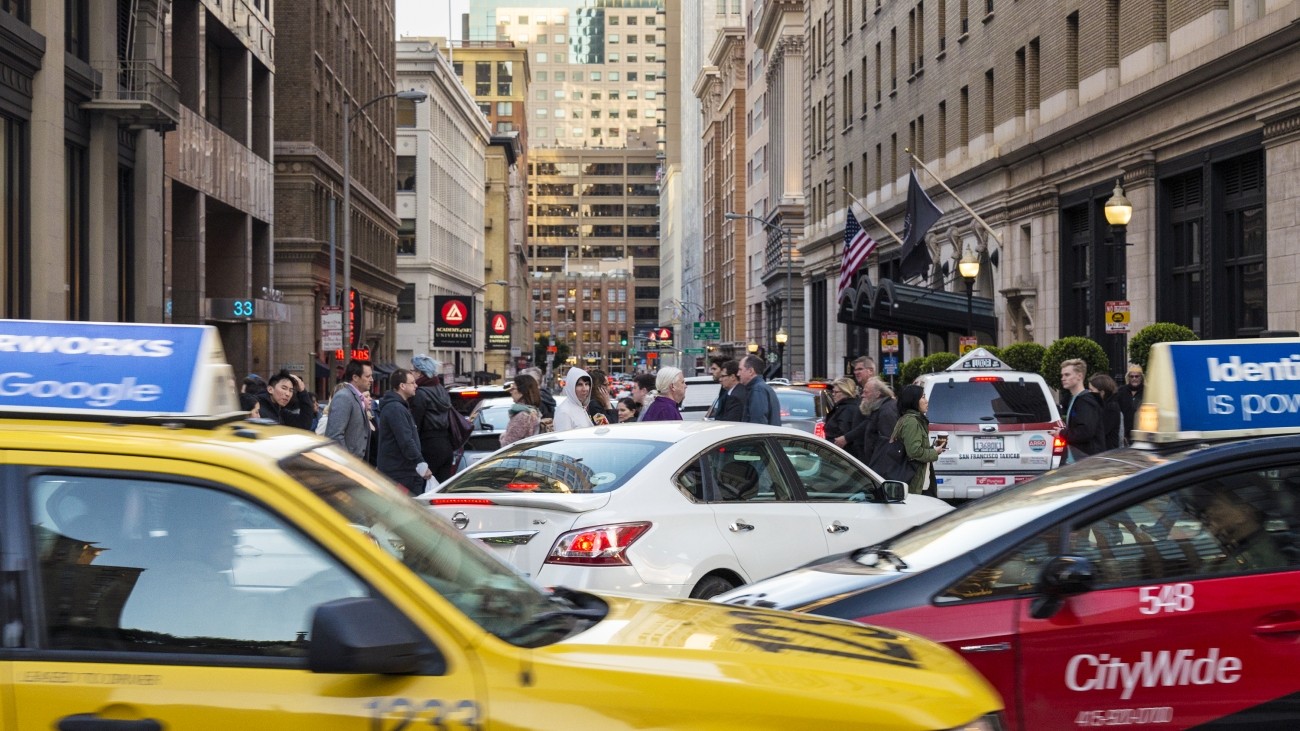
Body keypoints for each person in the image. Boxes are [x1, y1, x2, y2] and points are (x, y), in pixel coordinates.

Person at [1192, 481, 1289, 573]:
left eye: (1216, 506)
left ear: (1243, 513)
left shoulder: (1259, 556)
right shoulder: (1245, 547)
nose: (1209, 512)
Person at [375, 369, 432, 494]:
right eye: (412, 383)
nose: (416, 385)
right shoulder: (395, 408)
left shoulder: (398, 406)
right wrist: (421, 463)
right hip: (401, 474)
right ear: (402, 386)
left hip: (401, 471)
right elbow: (406, 441)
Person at [408, 355, 457, 482]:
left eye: (412, 371)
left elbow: (415, 424)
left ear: (419, 373)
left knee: (423, 488)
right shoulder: (442, 390)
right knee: (440, 489)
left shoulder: (420, 393)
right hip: (446, 446)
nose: (411, 374)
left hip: (428, 446)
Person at [891, 384, 946, 495]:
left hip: (918, 481)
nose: (926, 401)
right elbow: (914, 452)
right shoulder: (911, 421)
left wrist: (932, 448)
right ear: (913, 401)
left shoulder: (911, 419)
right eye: (923, 397)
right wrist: (934, 452)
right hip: (914, 483)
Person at [324, 359, 375, 458]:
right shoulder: (344, 397)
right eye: (368, 376)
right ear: (355, 377)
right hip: (347, 467)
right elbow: (334, 435)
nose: (371, 380)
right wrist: (349, 462)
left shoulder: (356, 397)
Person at [1059, 358, 1105, 461]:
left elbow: (1085, 432)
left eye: (1067, 375)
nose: (1063, 378)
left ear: (1079, 376)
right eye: (1062, 375)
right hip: (1076, 458)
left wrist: (1061, 433)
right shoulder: (1076, 399)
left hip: (1085, 460)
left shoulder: (1085, 401)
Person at [859, 378, 900, 472]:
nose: (862, 395)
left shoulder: (886, 411)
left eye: (866, 392)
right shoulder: (880, 409)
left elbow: (890, 442)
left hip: (884, 468)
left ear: (877, 394)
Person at [500, 374, 543, 447]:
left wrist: (502, 436)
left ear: (522, 391)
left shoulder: (523, 416)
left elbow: (507, 444)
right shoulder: (533, 411)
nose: (511, 391)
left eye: (513, 388)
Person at [738, 354, 781, 426]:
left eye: (740, 369)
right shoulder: (762, 387)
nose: (738, 374)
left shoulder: (757, 390)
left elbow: (758, 422)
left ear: (751, 371)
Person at [822, 378, 861, 453]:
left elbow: (842, 432)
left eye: (836, 392)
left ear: (846, 392)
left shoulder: (847, 409)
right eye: (833, 392)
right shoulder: (843, 407)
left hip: (840, 453)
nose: (833, 394)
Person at [1089, 373, 1123, 451]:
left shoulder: (1111, 407)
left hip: (1107, 452)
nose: (1089, 393)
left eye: (1092, 390)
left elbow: (1101, 431)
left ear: (1102, 392)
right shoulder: (1104, 405)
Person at [554, 366, 594, 431]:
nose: (584, 389)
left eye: (587, 384)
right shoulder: (564, 412)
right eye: (580, 385)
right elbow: (565, 440)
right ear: (571, 387)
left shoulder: (580, 407)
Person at [1117, 363, 1145, 444]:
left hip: (1142, 435)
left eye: (1137, 376)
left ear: (1141, 377)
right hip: (1125, 436)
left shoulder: (1147, 392)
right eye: (1131, 376)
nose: (1134, 378)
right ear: (1128, 377)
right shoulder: (1121, 391)